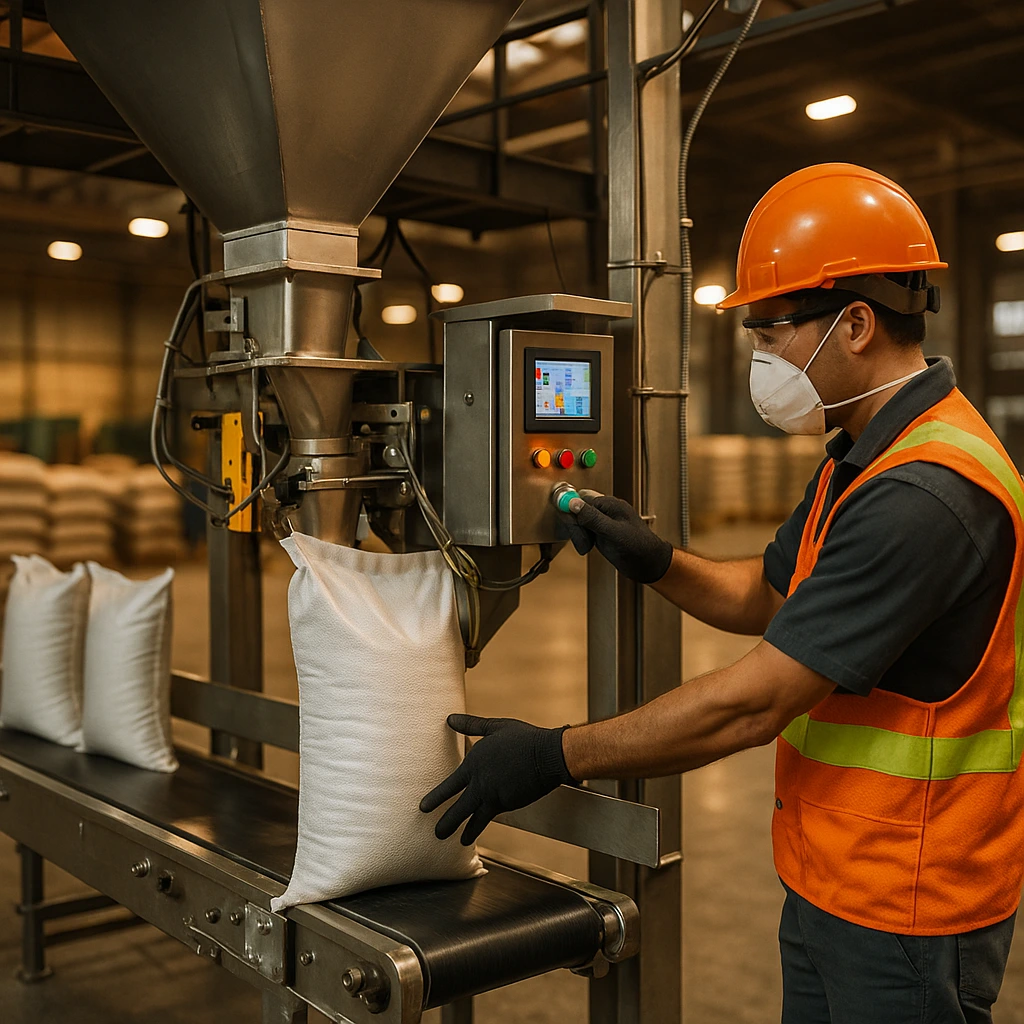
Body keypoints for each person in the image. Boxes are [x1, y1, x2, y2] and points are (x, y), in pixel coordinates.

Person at [420, 163, 1023, 1023]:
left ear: (854, 323)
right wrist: (658, 559)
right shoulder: (863, 456)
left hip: (909, 905)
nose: (760, 356)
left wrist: (552, 755)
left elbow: (751, 704)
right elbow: (768, 595)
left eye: (772, 331)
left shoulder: (924, 492)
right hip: (837, 875)